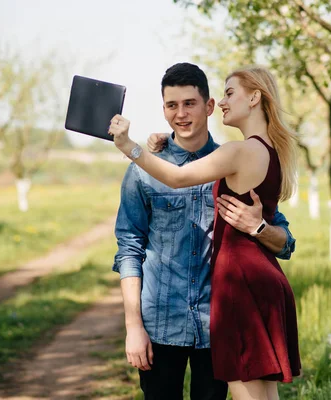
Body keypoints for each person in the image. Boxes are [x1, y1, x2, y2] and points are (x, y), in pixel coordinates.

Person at [110, 65, 301, 400]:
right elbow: (129, 247)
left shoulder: (232, 158)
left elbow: (285, 241)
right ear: (164, 110)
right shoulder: (145, 170)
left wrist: (257, 227)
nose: (181, 114)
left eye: (190, 104)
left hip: (218, 319)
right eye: (172, 106)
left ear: (208, 106)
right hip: (162, 321)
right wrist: (133, 326)